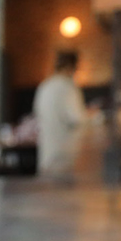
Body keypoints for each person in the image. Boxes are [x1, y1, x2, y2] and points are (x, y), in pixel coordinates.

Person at [33, 50, 86, 179]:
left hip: (46, 156)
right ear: (71, 67)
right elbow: (78, 119)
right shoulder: (68, 87)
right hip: (65, 158)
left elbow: (36, 113)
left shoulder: (44, 86)